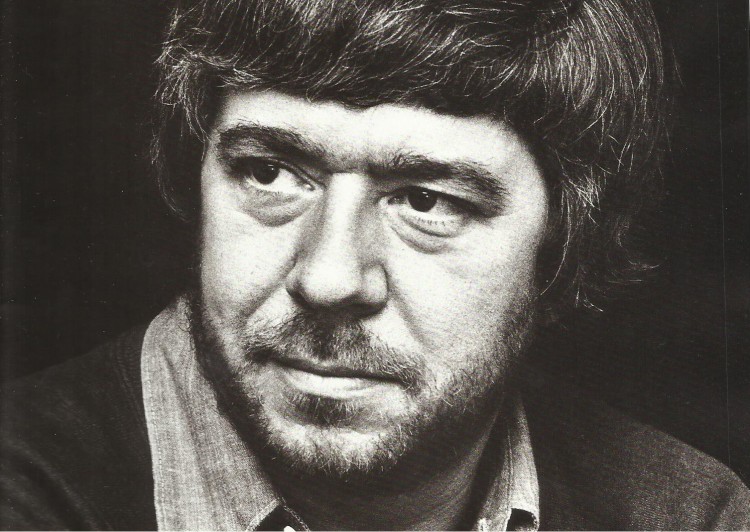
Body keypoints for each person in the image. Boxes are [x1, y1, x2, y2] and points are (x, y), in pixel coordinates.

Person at [2, 0, 749, 530]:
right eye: (269, 173)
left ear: (562, 249)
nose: (328, 278)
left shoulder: (692, 516)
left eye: (425, 200)